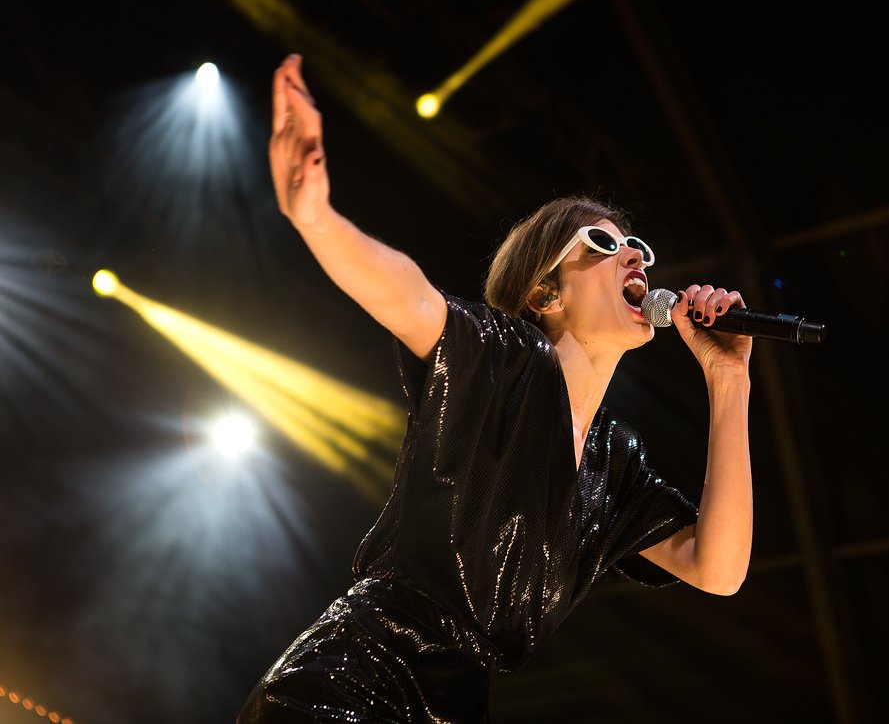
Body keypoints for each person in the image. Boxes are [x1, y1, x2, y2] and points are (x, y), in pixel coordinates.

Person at [237, 54, 753, 723]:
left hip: (454, 704)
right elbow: (409, 296)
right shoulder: (502, 361)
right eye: (601, 245)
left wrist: (728, 379)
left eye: (639, 249)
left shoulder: (614, 465)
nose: (634, 257)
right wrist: (316, 216)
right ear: (545, 294)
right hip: (353, 683)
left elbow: (719, 568)